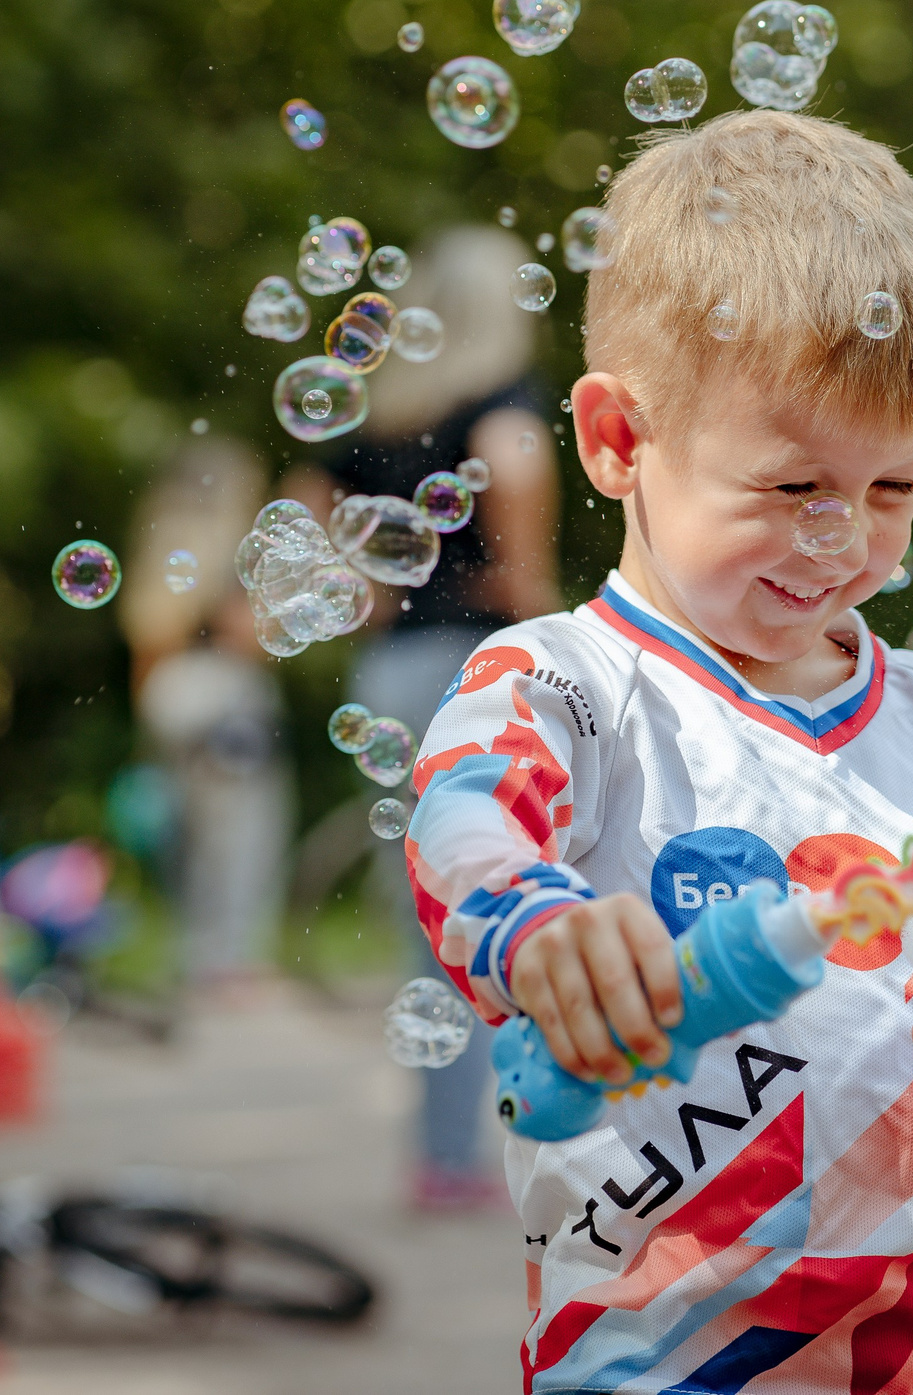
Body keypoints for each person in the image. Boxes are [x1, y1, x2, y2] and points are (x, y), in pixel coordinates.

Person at [405, 113, 913, 1392]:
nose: (843, 540)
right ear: (620, 440)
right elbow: (463, 825)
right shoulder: (568, 686)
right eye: (793, 488)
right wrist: (543, 929)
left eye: (893, 488)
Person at [313, 225, 559, 1213]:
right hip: (478, 667)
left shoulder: (385, 410)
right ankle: (524, 1142)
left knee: (435, 925)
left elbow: (307, 509)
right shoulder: (499, 403)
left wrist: (370, 590)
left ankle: (444, 1158)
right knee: (522, 899)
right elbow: (515, 459)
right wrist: (534, 588)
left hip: (388, 675)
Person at [120, 437, 297, 991]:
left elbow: (147, 649)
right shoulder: (237, 554)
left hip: (170, 696)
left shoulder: (161, 548)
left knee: (190, 835)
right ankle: (234, 960)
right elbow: (255, 640)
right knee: (245, 833)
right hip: (226, 698)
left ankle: (198, 956)